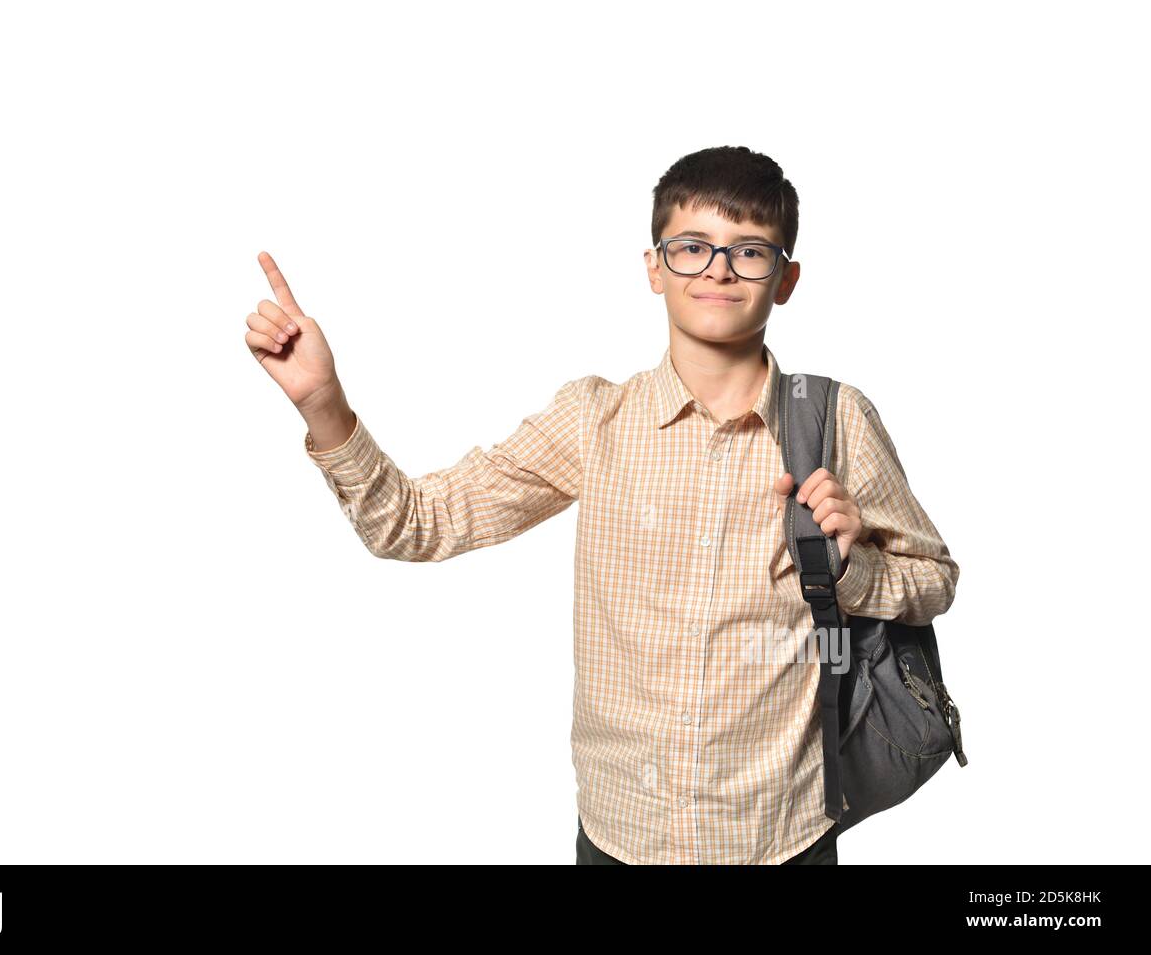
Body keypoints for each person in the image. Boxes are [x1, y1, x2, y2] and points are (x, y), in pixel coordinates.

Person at [243, 145, 959, 865]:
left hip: (781, 838)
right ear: (654, 267)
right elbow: (414, 525)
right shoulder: (594, 420)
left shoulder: (837, 421)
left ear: (786, 278)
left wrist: (854, 570)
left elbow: (935, 582)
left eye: (748, 251)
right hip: (622, 839)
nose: (717, 268)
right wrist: (324, 406)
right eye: (692, 247)